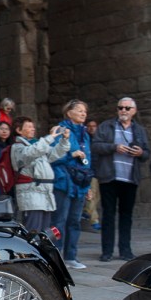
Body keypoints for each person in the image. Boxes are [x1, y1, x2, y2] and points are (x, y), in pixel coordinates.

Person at [92, 97, 151, 261]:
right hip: (109, 178)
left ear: (134, 111)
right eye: (120, 107)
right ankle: (107, 252)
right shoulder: (106, 126)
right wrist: (114, 147)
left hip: (130, 179)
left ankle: (125, 250)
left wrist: (140, 153)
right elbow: (95, 146)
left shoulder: (139, 130)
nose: (123, 111)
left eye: (127, 108)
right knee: (108, 215)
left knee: (126, 216)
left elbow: (147, 153)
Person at [51, 99, 93, 270]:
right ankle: (55, 257)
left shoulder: (85, 133)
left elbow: (87, 161)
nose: (84, 113)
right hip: (63, 181)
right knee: (59, 221)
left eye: (85, 111)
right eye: (80, 110)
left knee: (75, 221)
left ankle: (71, 257)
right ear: (69, 113)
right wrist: (71, 155)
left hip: (80, 183)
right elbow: (52, 156)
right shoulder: (60, 130)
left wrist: (88, 185)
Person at [11, 116, 70, 232]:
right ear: (19, 130)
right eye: (29, 127)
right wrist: (50, 137)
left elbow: (55, 153)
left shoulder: (37, 146)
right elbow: (32, 152)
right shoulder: (18, 147)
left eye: (33, 126)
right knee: (32, 232)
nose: (33, 129)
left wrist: (64, 140)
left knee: (44, 233)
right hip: (31, 195)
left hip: (44, 194)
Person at [82, 119, 101, 231]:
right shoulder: (85, 140)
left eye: (94, 126)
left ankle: (86, 211)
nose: (91, 128)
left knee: (97, 197)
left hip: (99, 171)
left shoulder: (99, 139)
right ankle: (94, 220)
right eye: (89, 126)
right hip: (90, 171)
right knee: (91, 195)